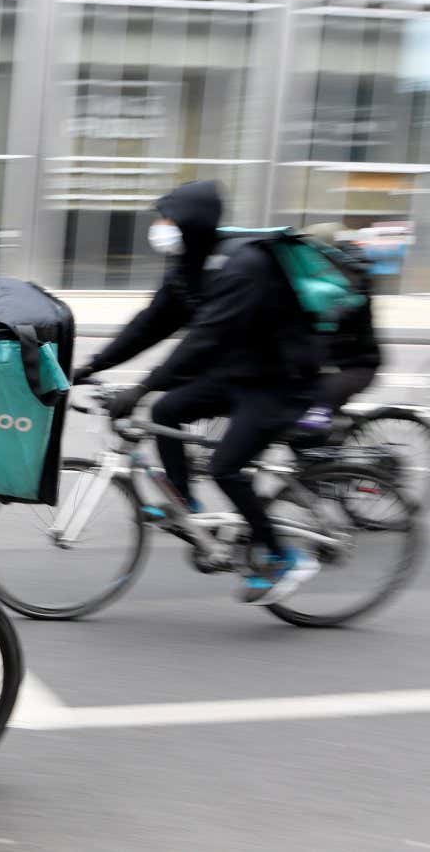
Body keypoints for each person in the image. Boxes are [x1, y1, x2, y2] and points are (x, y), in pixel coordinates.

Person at [74, 181, 325, 605]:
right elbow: (150, 324)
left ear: (191, 222)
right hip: (237, 372)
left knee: (227, 467)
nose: (160, 227)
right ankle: (186, 505)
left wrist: (139, 389)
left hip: (280, 381)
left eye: (167, 218)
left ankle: (284, 557)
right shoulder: (189, 263)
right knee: (167, 411)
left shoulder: (243, 265)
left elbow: (201, 342)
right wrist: (92, 365)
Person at [292, 223, 380, 434]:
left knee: (315, 410)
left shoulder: (351, 277)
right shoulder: (321, 274)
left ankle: (330, 456)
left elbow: (338, 313)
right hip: (329, 360)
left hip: (355, 364)